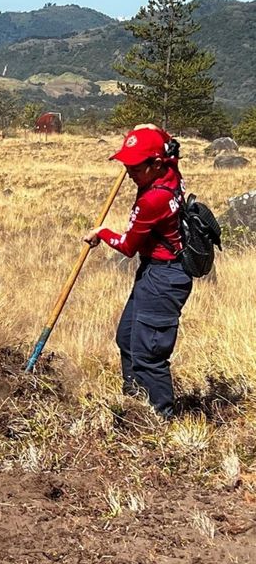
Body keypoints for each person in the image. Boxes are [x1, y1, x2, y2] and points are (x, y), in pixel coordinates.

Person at [83, 124, 192, 419]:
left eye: (135, 168)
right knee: (127, 337)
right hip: (154, 271)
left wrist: (103, 233)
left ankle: (160, 418)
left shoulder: (152, 200)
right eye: (126, 166)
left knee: (149, 353)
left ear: (155, 164)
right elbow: (170, 145)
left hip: (164, 277)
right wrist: (152, 130)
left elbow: (129, 246)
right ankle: (134, 404)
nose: (129, 173)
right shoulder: (170, 168)